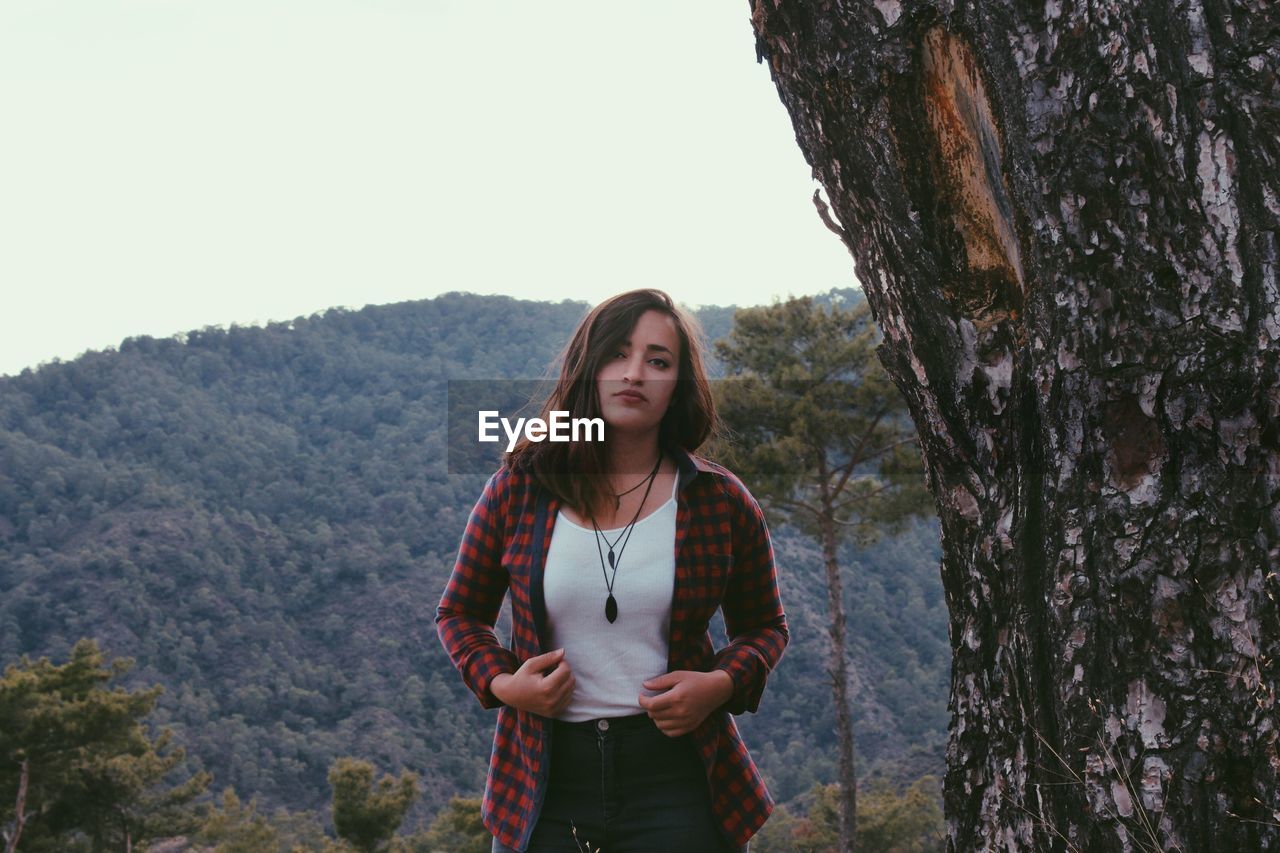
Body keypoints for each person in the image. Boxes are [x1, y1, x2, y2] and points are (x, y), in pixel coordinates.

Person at [436, 289, 788, 853]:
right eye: (617, 354)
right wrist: (505, 685)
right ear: (588, 367)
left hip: (678, 779)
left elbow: (767, 627)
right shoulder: (520, 487)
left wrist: (718, 685)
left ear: (678, 386)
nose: (634, 374)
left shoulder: (719, 500)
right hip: (546, 780)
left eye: (658, 361)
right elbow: (459, 612)